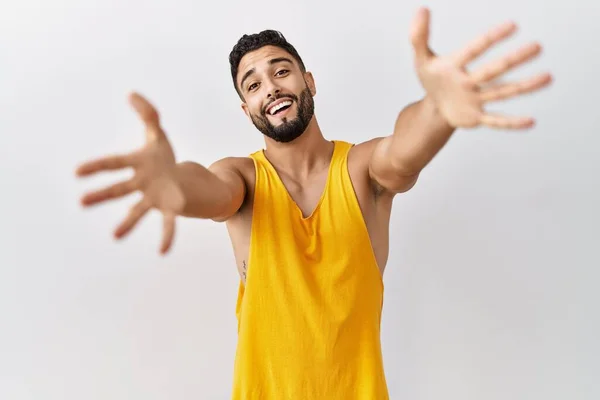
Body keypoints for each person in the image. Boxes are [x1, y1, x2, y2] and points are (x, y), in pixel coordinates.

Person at [75, 8, 552, 399]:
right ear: (246, 109)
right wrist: (170, 184)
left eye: (281, 71)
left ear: (309, 81)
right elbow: (207, 190)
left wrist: (438, 112)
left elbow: (403, 152)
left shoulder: (361, 169)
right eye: (253, 84)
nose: (271, 88)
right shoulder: (243, 178)